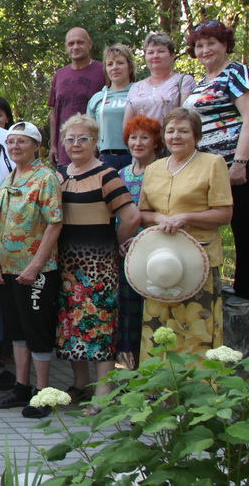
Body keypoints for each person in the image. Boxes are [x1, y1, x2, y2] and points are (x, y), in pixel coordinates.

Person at [54, 114, 139, 410]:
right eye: (70, 139)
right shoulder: (61, 175)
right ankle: (79, 385)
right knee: (71, 327)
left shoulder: (106, 175)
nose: (76, 144)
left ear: (95, 142)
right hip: (67, 266)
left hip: (99, 267)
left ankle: (104, 391)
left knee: (99, 327)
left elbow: (131, 217)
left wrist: (113, 245)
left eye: (83, 139)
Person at [138, 108, 233, 358]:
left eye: (183, 131)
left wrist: (186, 218)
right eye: (171, 131)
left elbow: (224, 214)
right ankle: (159, 394)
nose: (176, 137)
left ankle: (196, 394)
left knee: (195, 335)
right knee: (158, 330)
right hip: (158, 262)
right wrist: (159, 218)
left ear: (196, 135)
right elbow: (144, 214)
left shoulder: (213, 163)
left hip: (197, 259)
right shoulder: (154, 168)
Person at [0, 122, 63, 419]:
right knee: (17, 328)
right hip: (8, 267)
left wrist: (35, 265)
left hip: (37, 270)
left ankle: (44, 392)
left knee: (37, 329)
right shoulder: (10, 178)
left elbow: (55, 223)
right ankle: (22, 385)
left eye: (23, 142)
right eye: (12, 142)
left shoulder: (46, 179)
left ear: (36, 147)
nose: (16, 147)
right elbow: (1, 224)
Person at [182, 20, 249, 301]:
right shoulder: (203, 82)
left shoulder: (234, 73)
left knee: (244, 225)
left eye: (211, 43)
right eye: (199, 45)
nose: (205, 49)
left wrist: (240, 162)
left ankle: (245, 292)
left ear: (225, 45)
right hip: (211, 169)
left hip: (236, 164)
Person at [115, 115, 161, 365]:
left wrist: (141, 240)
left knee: (149, 310)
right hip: (122, 251)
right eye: (133, 137)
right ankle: (126, 367)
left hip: (151, 251)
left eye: (145, 137)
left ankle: (151, 368)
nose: (138, 142)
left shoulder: (164, 171)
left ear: (156, 142)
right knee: (125, 310)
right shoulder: (121, 173)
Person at [49, 28, 106, 165]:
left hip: (92, 148)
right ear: (66, 47)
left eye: (80, 42)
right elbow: (54, 112)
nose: (75, 47)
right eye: (71, 43)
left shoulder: (103, 70)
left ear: (89, 44)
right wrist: (53, 145)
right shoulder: (59, 75)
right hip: (64, 149)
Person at [123, 32, 197, 129]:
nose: (155, 56)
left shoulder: (183, 81)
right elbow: (127, 127)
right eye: (151, 52)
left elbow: (188, 119)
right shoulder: (136, 87)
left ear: (172, 56)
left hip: (172, 141)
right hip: (142, 143)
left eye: (161, 51)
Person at [86, 45, 137, 171]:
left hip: (135, 155)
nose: (115, 67)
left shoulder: (140, 92)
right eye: (110, 64)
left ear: (130, 67)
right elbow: (89, 131)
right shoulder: (97, 98)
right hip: (106, 157)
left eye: (120, 63)